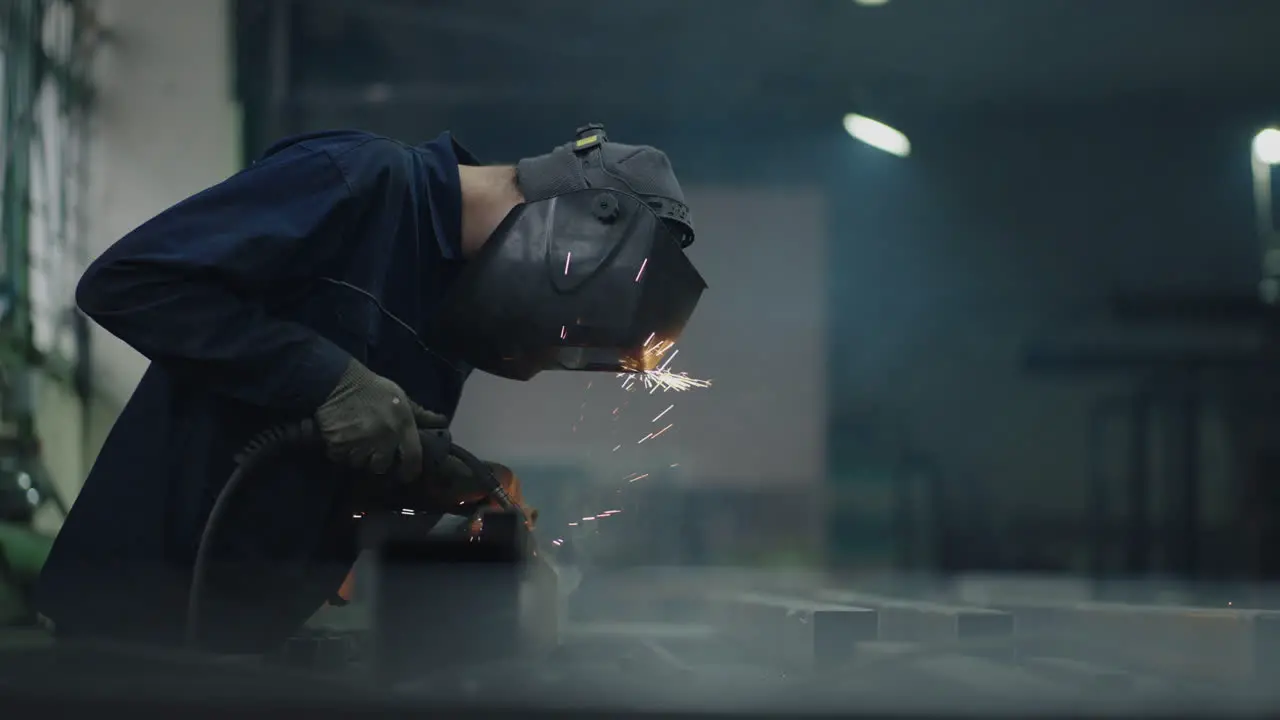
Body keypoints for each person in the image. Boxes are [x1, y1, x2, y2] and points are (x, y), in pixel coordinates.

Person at [35, 123, 706, 652]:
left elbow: (330, 447)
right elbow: (127, 282)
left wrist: (429, 482)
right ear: (582, 231)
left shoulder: (456, 300)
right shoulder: (363, 180)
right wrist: (328, 379)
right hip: (129, 614)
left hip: (242, 636)